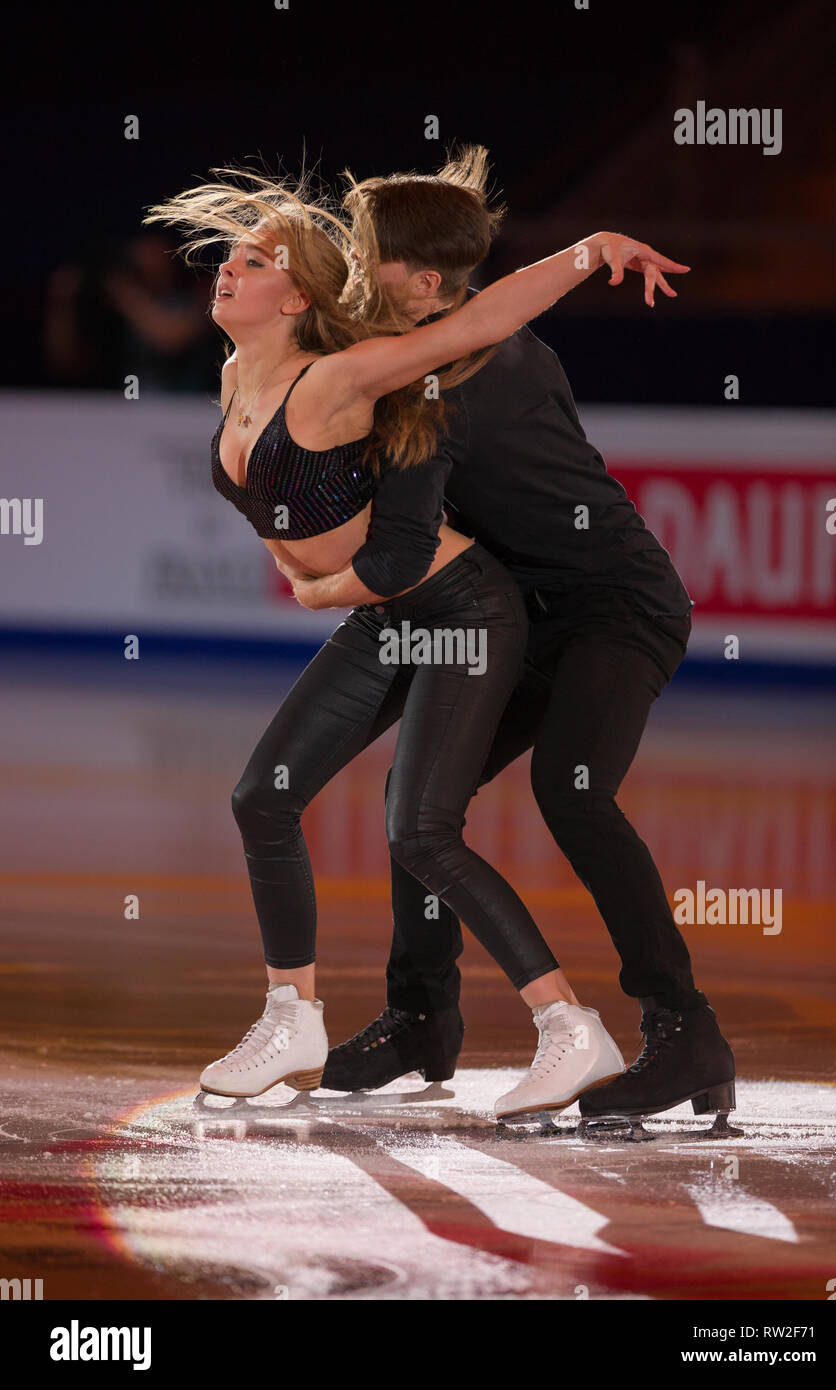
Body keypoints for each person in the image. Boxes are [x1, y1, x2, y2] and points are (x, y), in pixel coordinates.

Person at [145, 166, 687, 1119]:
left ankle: (571, 1027)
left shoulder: (343, 377)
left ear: (297, 295)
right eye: (226, 256)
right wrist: (309, 573)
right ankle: (294, 1014)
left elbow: (478, 324)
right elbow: (275, 504)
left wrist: (590, 250)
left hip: (464, 611)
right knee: (261, 797)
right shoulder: (236, 377)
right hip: (389, 617)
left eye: (254, 259)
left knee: (422, 827)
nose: (226, 270)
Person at [285, 149, 736, 1127]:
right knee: (423, 800)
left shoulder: (457, 379)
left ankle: (680, 1025)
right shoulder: (432, 350)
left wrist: (318, 573)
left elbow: (402, 542)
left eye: (370, 260)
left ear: (428, 284)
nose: (357, 276)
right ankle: (419, 1014)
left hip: (615, 605)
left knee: (569, 790)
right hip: (524, 613)